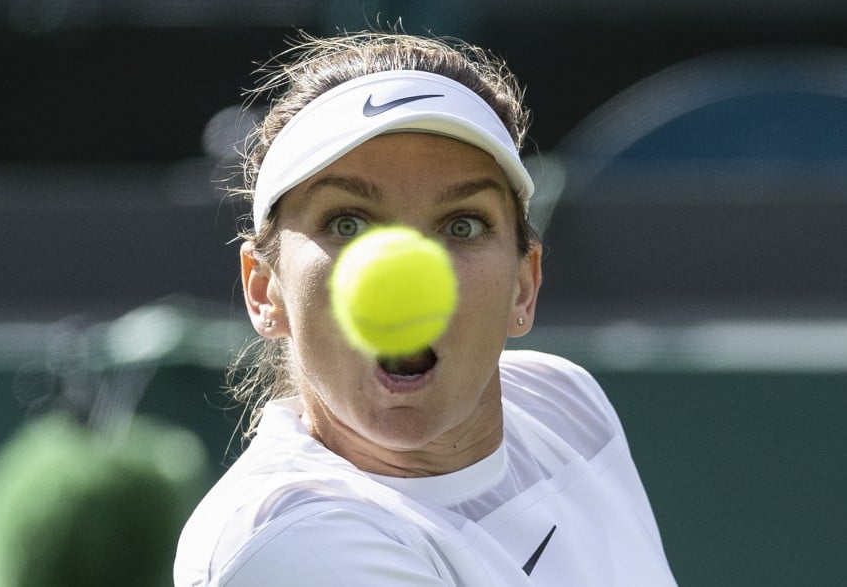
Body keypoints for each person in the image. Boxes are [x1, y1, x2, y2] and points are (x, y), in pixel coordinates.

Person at [174, 30, 677, 586]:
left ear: (524, 285)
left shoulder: (564, 405)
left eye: (463, 224)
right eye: (348, 223)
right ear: (264, 289)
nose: (407, 273)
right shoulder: (295, 542)